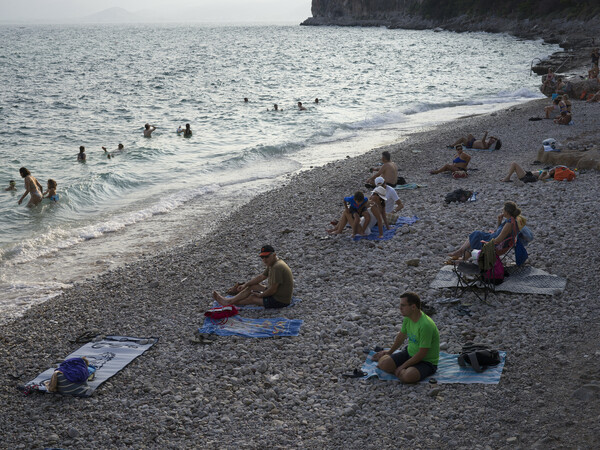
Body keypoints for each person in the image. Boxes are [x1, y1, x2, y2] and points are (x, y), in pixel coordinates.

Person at [372, 292, 439, 383]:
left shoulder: (425, 325)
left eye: (403, 305)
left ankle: (403, 371)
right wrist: (389, 352)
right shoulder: (408, 317)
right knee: (384, 364)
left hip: (426, 361)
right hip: (409, 353)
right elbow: (401, 336)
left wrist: (402, 366)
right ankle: (401, 372)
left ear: (413, 307)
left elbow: (422, 354)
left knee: (408, 377)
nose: (400, 308)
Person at [213, 245, 294, 309]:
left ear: (274, 255)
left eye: (267, 257)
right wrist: (245, 285)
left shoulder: (277, 267)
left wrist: (261, 295)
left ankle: (230, 302)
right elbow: (261, 277)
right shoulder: (273, 264)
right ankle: (230, 300)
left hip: (280, 300)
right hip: (277, 294)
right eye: (262, 257)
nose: (264, 260)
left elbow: (273, 290)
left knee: (252, 298)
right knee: (252, 286)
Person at [448, 201, 525, 261]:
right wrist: (499, 222)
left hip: (496, 245)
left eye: (503, 209)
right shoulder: (510, 220)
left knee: (476, 237)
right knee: (476, 235)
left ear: (507, 212)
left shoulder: (509, 224)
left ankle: (461, 255)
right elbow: (500, 233)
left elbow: (499, 239)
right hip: (494, 239)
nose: (502, 211)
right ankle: (461, 253)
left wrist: (487, 243)